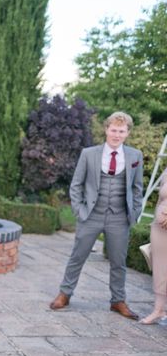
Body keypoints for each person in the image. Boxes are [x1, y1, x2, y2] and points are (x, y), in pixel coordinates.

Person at [50, 111, 143, 319]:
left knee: (119, 261)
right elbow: (76, 185)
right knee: (78, 256)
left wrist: (134, 213)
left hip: (120, 217)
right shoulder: (89, 153)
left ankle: (118, 300)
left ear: (127, 133)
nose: (116, 135)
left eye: (121, 131)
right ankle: (65, 293)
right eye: (113, 130)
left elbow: (137, 189)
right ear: (106, 130)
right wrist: (79, 211)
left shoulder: (135, 156)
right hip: (91, 214)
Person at [140, 170, 167, 324]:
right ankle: (158, 310)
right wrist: (154, 223)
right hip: (159, 229)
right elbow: (160, 198)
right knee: (160, 270)